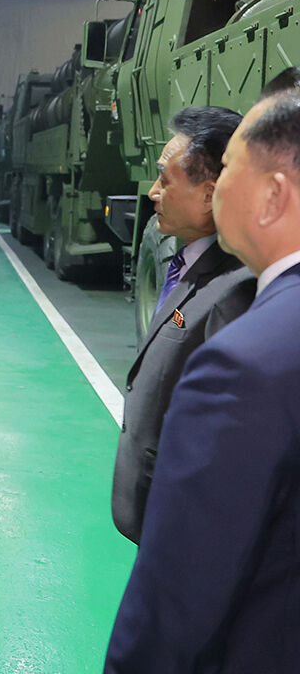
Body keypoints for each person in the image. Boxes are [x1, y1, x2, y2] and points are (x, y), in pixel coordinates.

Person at [104, 93, 300, 671]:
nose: (152, 192)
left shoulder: (241, 345)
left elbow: (191, 579)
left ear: (273, 193)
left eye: (232, 169)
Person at [111, 106, 254, 544]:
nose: (153, 193)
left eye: (165, 179)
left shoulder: (234, 292)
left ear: (209, 195)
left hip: (181, 527)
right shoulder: (189, 265)